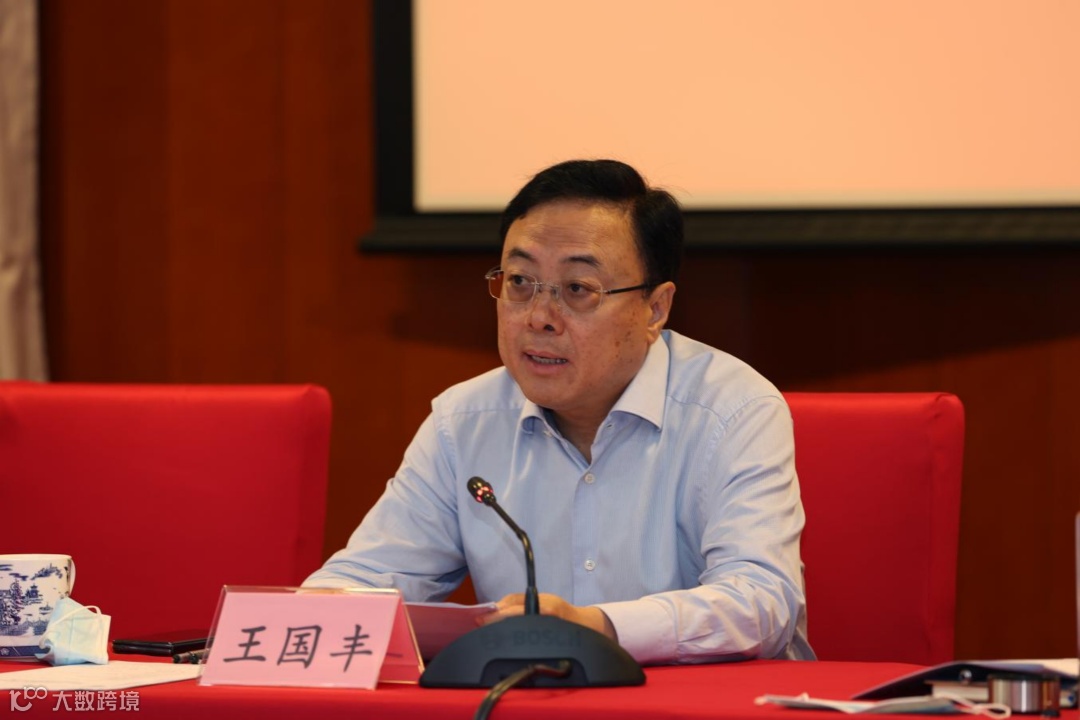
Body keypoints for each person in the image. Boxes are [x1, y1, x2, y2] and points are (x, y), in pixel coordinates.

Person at [305, 159, 814, 664]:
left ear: (654, 309)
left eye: (577, 289)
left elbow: (762, 603)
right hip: (529, 699)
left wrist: (599, 628)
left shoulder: (733, 411)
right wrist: (310, 614)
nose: (540, 317)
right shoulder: (463, 422)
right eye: (520, 282)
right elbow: (363, 579)